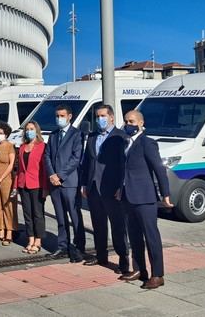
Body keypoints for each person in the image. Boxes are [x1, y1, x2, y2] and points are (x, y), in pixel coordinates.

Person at [119, 110, 171, 289]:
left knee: (151, 237)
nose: (128, 124)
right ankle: (140, 269)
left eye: (132, 121)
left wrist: (165, 193)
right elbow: (123, 170)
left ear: (141, 123)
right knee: (134, 236)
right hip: (128, 196)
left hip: (145, 197)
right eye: (126, 121)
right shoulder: (125, 143)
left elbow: (159, 168)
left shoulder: (147, 143)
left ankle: (158, 274)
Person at [80, 105, 132, 274]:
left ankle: (123, 260)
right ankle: (101, 255)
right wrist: (84, 184)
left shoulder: (120, 137)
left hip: (112, 188)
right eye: (97, 116)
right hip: (94, 187)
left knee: (118, 225)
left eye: (102, 115)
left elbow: (123, 165)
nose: (99, 119)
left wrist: (120, 186)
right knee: (98, 224)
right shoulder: (93, 137)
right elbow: (87, 162)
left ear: (111, 117)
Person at [44, 104, 85, 263]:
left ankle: (78, 247)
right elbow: (47, 156)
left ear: (69, 116)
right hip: (55, 183)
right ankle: (62, 245)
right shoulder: (54, 135)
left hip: (69, 182)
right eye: (57, 116)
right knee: (60, 217)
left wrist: (60, 175)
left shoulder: (77, 134)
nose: (59, 119)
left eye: (62, 116)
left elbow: (76, 158)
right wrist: (52, 175)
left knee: (74, 216)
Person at [16, 121, 48, 254]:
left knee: (38, 214)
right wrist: (16, 185)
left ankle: (38, 241)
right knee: (27, 214)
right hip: (24, 184)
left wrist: (46, 188)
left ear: (37, 130)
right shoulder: (23, 147)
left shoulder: (42, 146)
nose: (29, 131)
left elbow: (45, 169)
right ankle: (30, 239)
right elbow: (19, 169)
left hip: (37, 184)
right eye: (27, 129)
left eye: (31, 129)